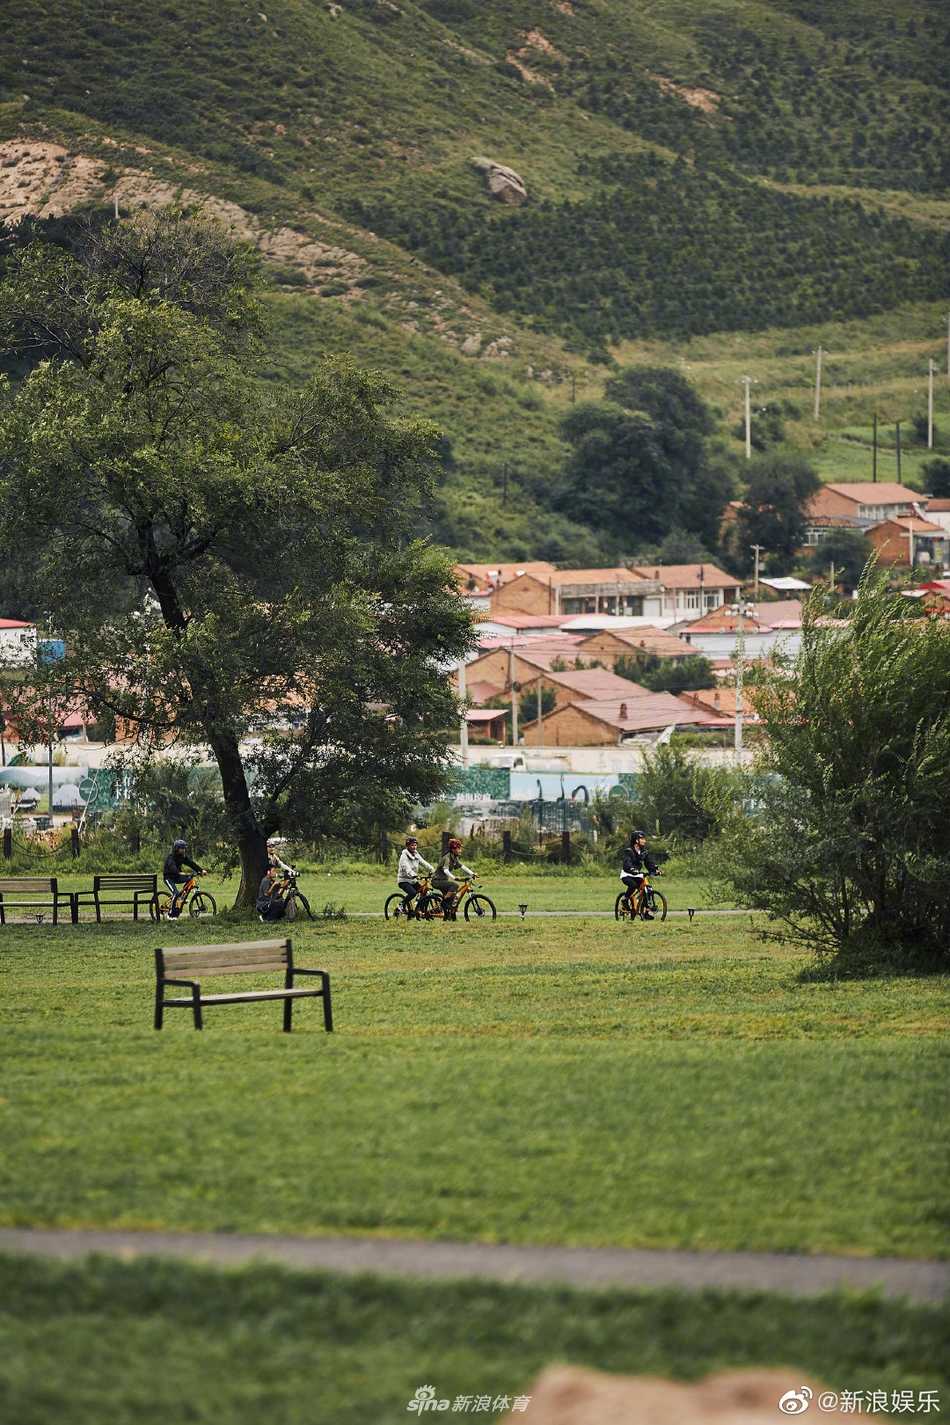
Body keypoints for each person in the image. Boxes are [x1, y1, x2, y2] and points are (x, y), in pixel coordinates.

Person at [163, 838, 206, 920]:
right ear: (177, 849)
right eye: (182, 849)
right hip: (169, 878)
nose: (183, 850)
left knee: (189, 879)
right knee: (176, 893)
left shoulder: (183, 856)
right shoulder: (171, 856)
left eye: (184, 848)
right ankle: (170, 915)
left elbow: (190, 863)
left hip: (177, 877)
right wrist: (178, 872)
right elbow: (172, 866)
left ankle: (182, 896)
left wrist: (200, 870)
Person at [620, 830, 659, 919]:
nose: (644, 841)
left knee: (646, 891)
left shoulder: (644, 852)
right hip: (627, 874)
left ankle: (644, 912)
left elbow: (648, 863)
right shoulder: (629, 851)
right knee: (633, 885)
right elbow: (627, 863)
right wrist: (632, 869)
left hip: (637, 875)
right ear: (637, 840)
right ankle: (625, 900)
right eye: (642, 839)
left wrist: (655, 870)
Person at [432, 836, 474, 915]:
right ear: (452, 849)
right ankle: (444, 904)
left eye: (460, 848)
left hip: (443, 881)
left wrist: (472, 873)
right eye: (458, 849)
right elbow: (445, 870)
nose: (460, 850)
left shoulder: (454, 858)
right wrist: (454, 878)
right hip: (437, 881)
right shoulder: (447, 858)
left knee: (453, 897)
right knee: (454, 885)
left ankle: (450, 916)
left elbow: (462, 866)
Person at [396, 835, 435, 917]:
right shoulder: (404, 856)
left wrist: (433, 870)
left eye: (415, 845)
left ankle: (419, 910)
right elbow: (407, 868)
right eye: (412, 845)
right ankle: (401, 904)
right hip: (404, 880)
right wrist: (414, 875)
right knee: (413, 893)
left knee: (425, 892)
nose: (414, 847)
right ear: (407, 846)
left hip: (413, 881)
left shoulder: (416, 854)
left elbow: (424, 863)